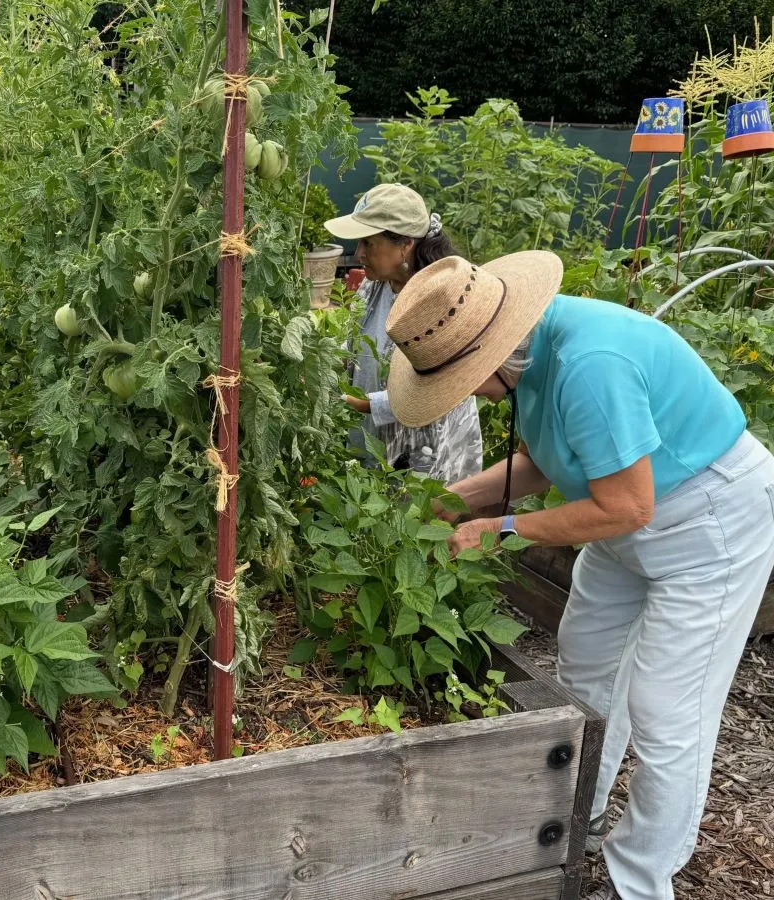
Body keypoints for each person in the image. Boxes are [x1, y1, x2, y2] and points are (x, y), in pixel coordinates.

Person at [382, 250, 774, 900]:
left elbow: (628, 504)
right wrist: (456, 500)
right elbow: (542, 463)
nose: (467, 396)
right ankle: (577, 817)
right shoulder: (534, 355)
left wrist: (502, 529)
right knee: (586, 661)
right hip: (622, 517)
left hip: (708, 522)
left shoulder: (591, 364)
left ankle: (638, 881)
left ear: (490, 353)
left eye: (464, 381)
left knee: (667, 711)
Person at [324, 183, 482, 482]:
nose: (358, 253)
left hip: (425, 449)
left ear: (405, 244)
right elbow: (355, 341)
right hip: (374, 434)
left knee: (413, 519)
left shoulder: (442, 298)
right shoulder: (377, 284)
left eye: (368, 244)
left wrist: (369, 404)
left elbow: (444, 383)